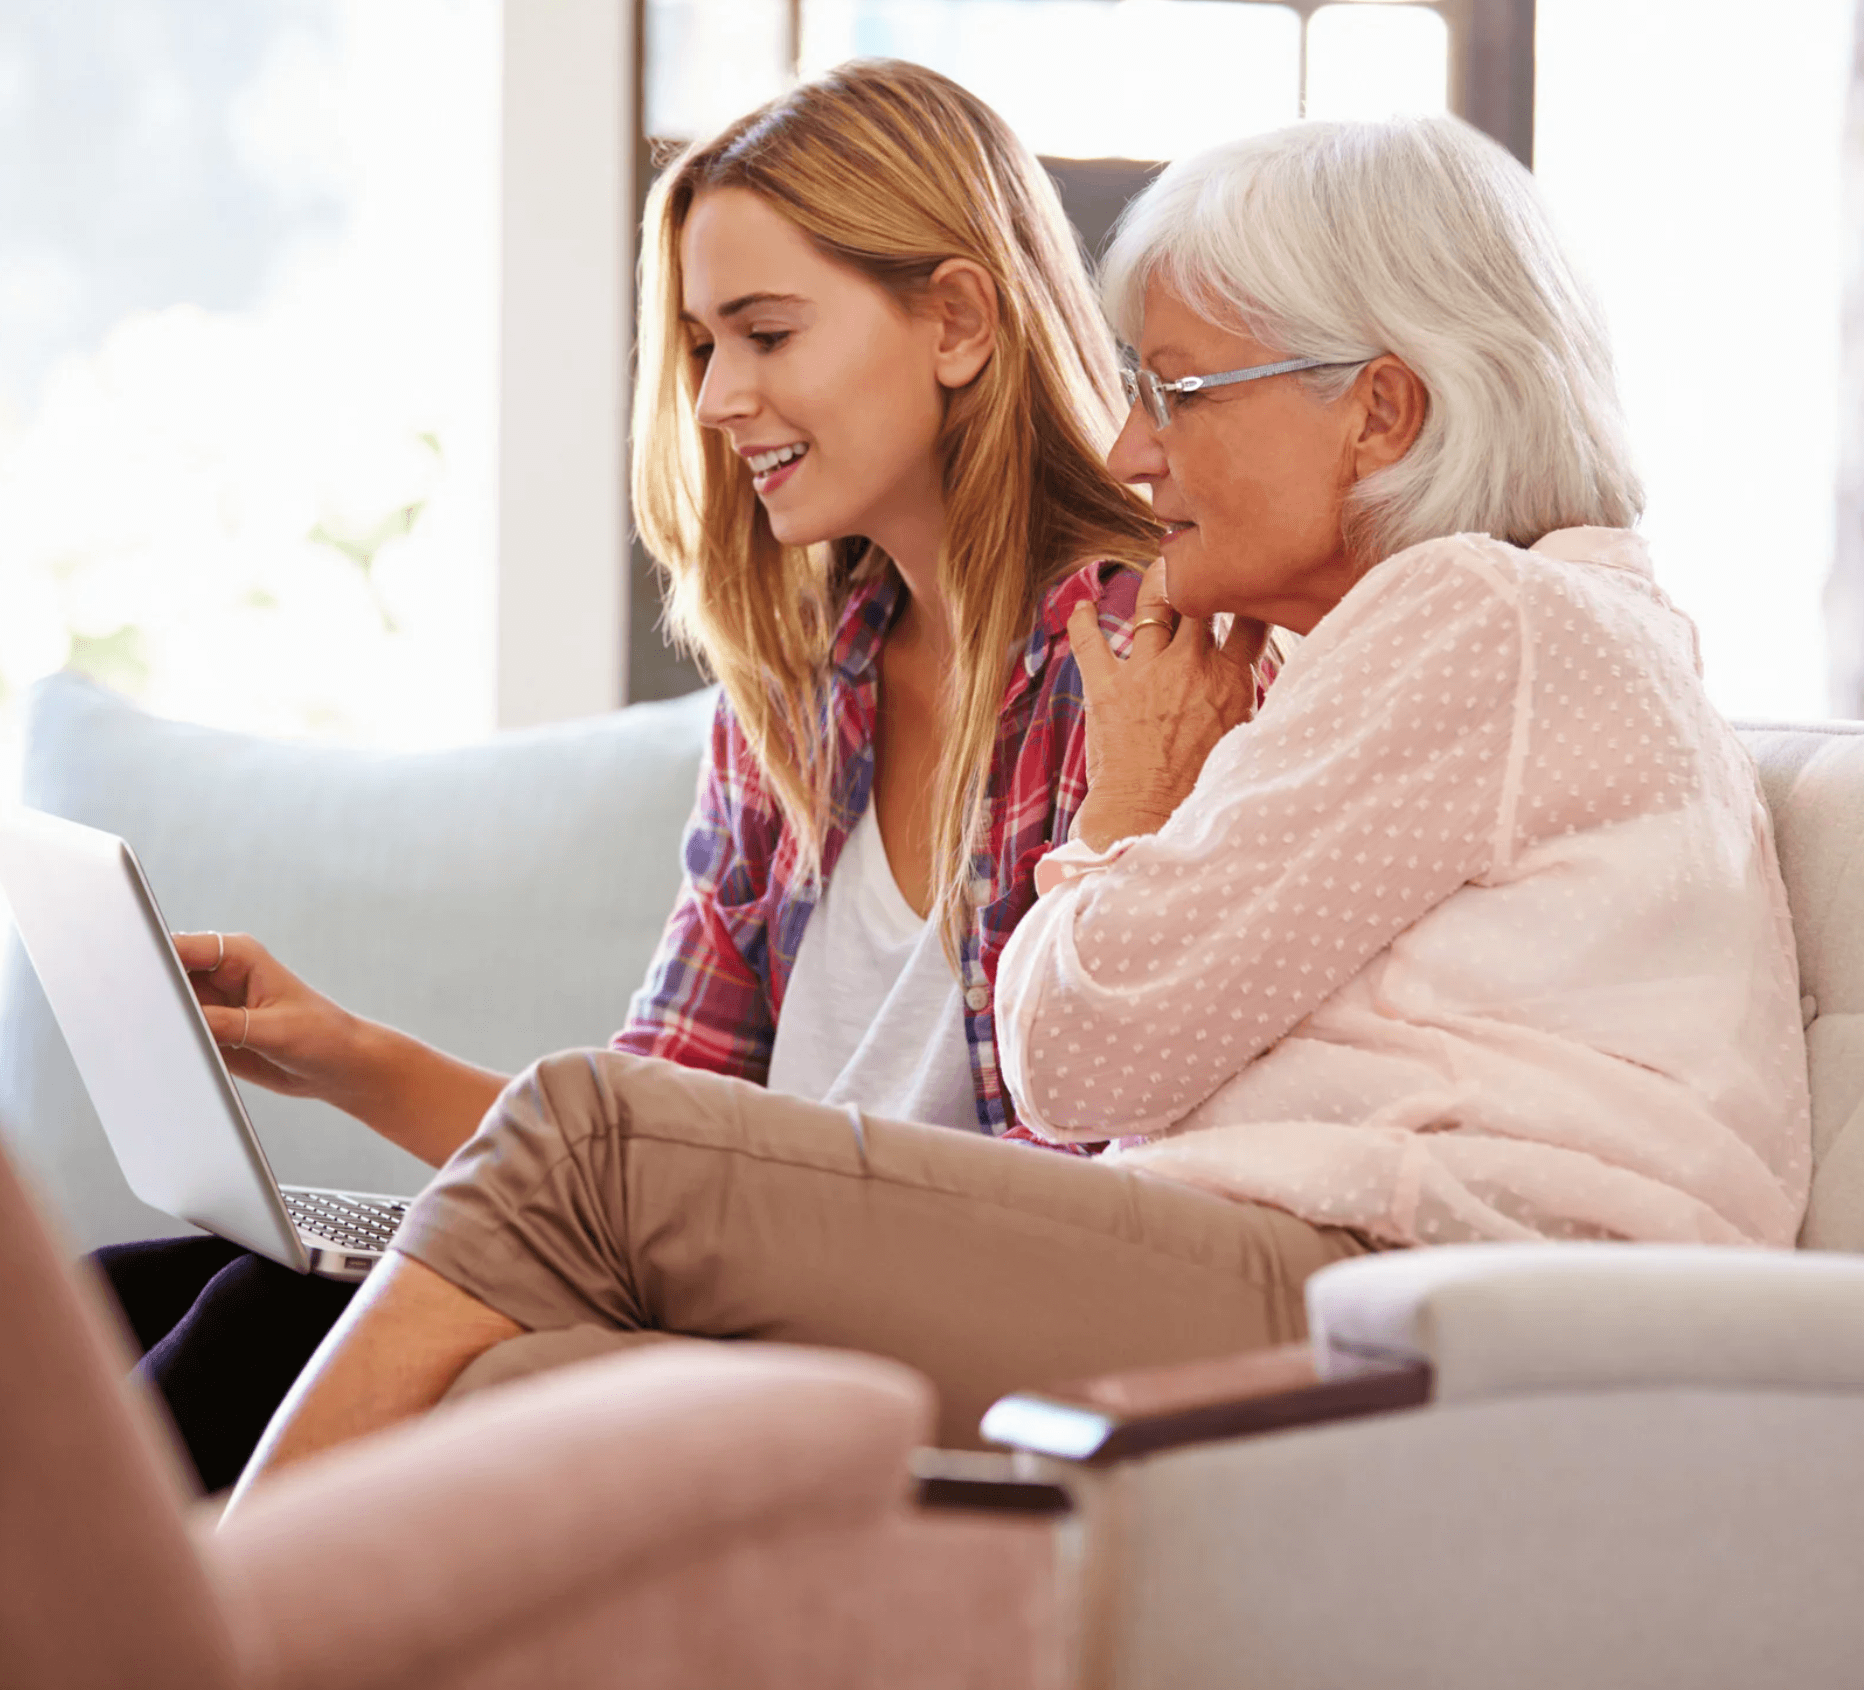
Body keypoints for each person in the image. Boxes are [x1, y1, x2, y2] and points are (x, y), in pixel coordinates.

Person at [221, 110, 1813, 1509]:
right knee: (516, 1378)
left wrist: (1125, 800)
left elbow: (1078, 1058)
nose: (1134, 445)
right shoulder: (1406, 650)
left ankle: (185, 1637)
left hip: (1421, 1311)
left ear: (1381, 412)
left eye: (1179, 392)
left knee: (583, 1133)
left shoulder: (1483, 620)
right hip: (1355, 1289)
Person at [94, 58, 1165, 1492]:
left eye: (765, 333)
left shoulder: (1137, 659)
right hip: (750, 1272)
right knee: (133, 1286)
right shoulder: (796, 704)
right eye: (702, 344)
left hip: (947, 1318)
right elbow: (638, 1143)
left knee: (256, 1322)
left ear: (959, 319)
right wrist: (341, 1052)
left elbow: (1098, 1189)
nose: (720, 397)